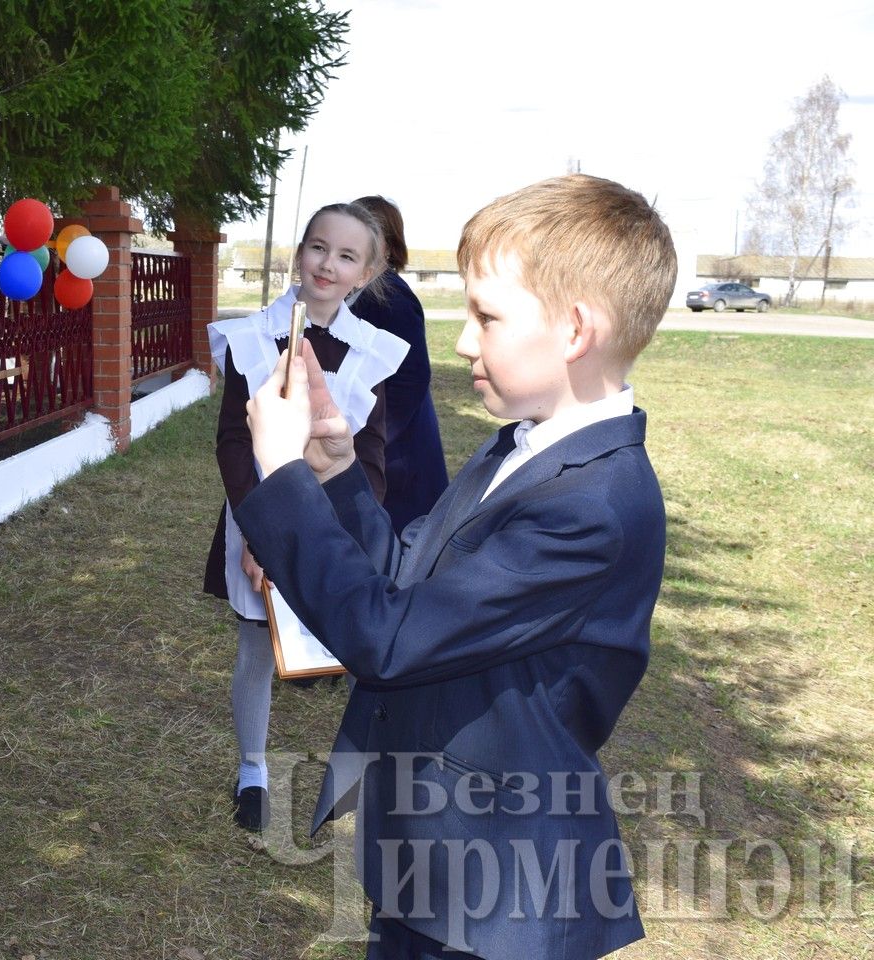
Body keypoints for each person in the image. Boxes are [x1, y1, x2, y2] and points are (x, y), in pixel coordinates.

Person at [235, 174, 677, 959]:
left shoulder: (592, 507)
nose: (466, 341)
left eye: (487, 316)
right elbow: (410, 583)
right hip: (436, 861)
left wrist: (281, 477)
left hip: (496, 897)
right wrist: (335, 471)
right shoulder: (525, 445)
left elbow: (390, 639)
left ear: (575, 330)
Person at [202, 203, 406, 832]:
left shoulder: (372, 353)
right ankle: (253, 769)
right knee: (254, 652)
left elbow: (369, 453)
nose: (328, 263)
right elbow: (235, 443)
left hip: (333, 528)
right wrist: (260, 532)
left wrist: (343, 526)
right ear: (300, 252)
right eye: (319, 247)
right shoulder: (252, 337)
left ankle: (360, 773)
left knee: (350, 644)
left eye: (347, 255)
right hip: (257, 520)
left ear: (366, 272)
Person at [349, 196, 448, 534]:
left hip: (398, 453)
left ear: (387, 246)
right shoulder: (362, 289)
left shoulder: (391, 296)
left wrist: (372, 439)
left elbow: (412, 377)